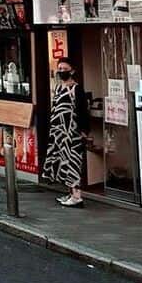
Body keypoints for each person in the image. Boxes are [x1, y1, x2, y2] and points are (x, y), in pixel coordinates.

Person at [41, 57, 91, 206]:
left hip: (72, 133)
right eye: (60, 69)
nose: (62, 71)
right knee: (63, 162)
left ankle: (77, 196)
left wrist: (84, 131)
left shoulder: (76, 89)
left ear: (72, 71)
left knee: (73, 162)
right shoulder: (58, 88)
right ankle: (70, 193)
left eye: (65, 69)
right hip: (58, 133)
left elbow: (82, 111)